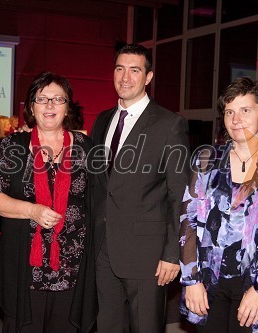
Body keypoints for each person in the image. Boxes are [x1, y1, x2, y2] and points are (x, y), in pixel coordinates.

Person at [179, 77, 258, 333]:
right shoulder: (206, 159)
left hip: (253, 284)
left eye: (245, 110)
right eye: (229, 112)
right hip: (207, 281)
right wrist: (191, 280)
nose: (236, 119)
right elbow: (188, 219)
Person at [0, 72, 96, 333]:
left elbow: (100, 201)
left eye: (58, 99)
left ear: (68, 107)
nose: (50, 105)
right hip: (26, 264)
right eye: (42, 99)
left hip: (73, 267)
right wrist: (32, 210)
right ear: (31, 107)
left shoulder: (85, 147)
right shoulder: (14, 145)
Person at [89, 43, 190, 332]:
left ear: (148, 77)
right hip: (103, 249)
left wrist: (173, 254)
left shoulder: (170, 124)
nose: (125, 77)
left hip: (148, 253)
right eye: (119, 68)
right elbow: (99, 182)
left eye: (134, 70)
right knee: (108, 325)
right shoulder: (103, 120)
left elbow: (179, 194)